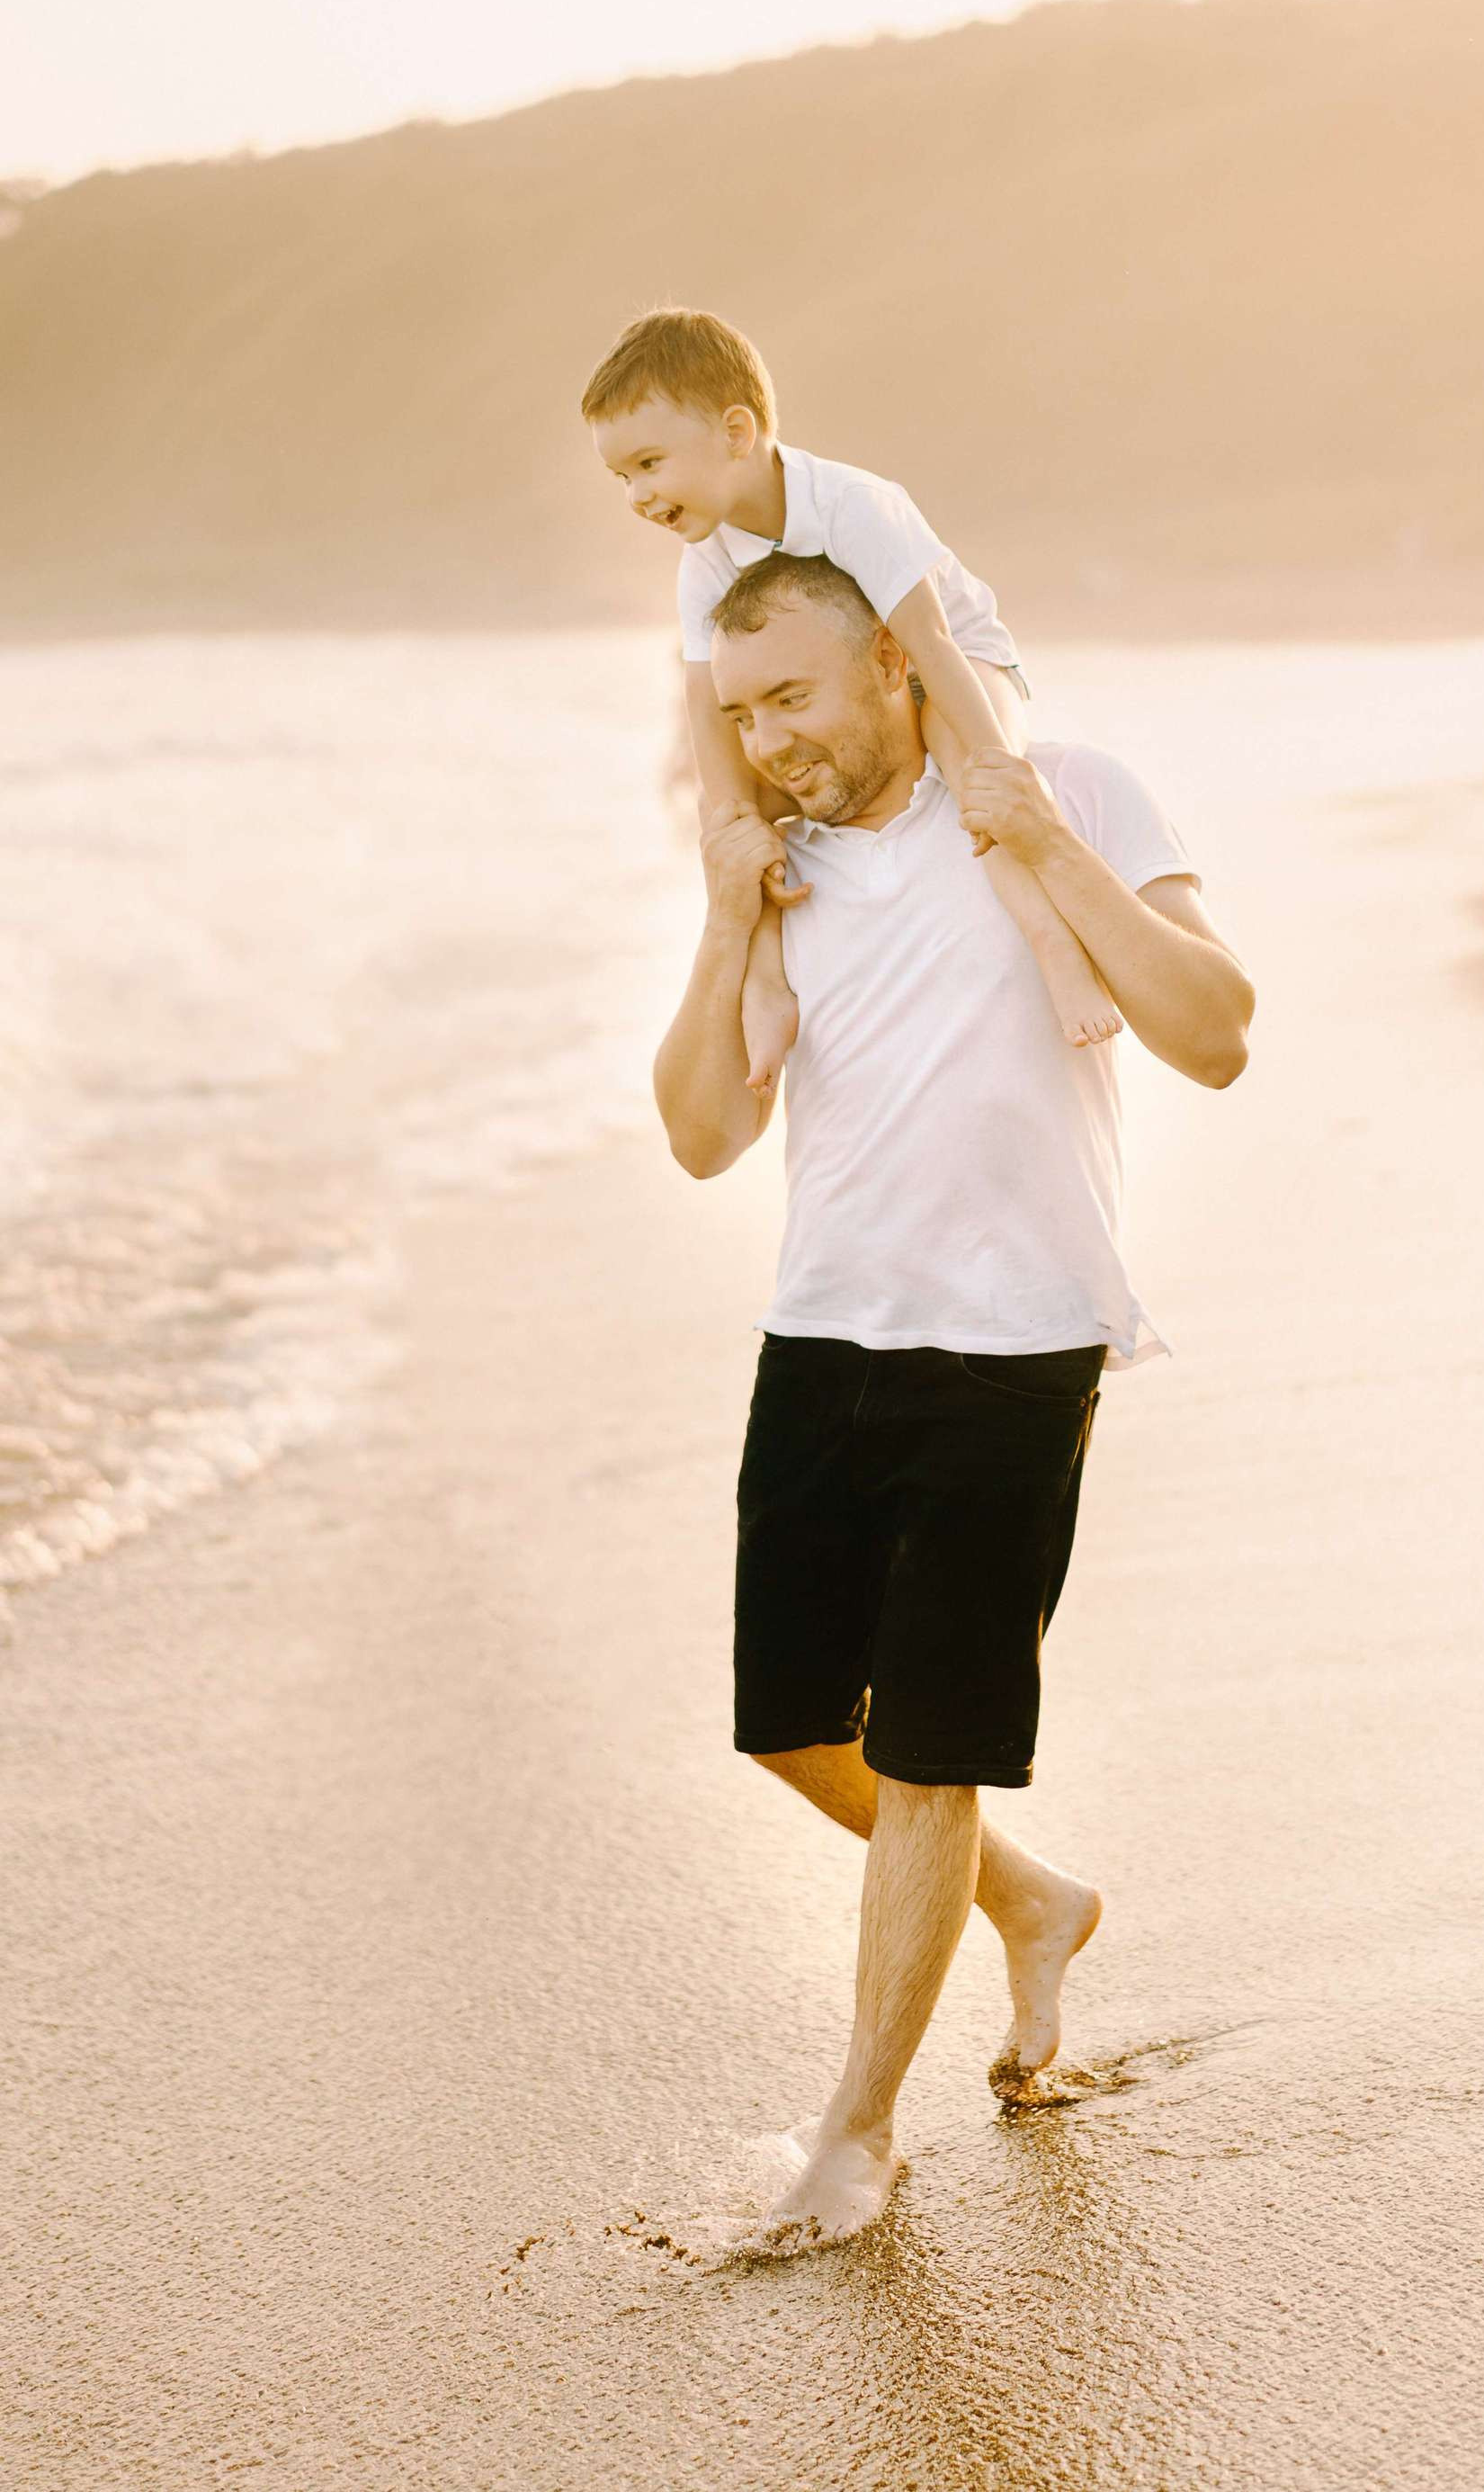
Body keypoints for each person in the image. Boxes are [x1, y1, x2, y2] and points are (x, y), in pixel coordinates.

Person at [652, 550, 1256, 2254]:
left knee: (929, 1753)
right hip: (826, 1331)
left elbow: (1214, 1032)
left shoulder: (1070, 792)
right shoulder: (785, 869)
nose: (770, 740)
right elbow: (703, 1135)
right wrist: (722, 918)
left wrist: (1039, 841)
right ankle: (1038, 1901)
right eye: (742, 710)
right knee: (792, 1729)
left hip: (1016, 1342)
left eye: (796, 697)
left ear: (898, 672)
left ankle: (856, 2136)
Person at [582, 306, 1123, 1098]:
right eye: (622, 476)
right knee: (737, 828)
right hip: (850, 689)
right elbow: (705, 707)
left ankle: (1054, 943)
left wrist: (1002, 777)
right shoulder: (704, 562)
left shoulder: (853, 506)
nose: (637, 493)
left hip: (957, 663)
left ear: (737, 433)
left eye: (650, 463)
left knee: (979, 782)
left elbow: (932, 647)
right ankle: (767, 988)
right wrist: (728, 826)